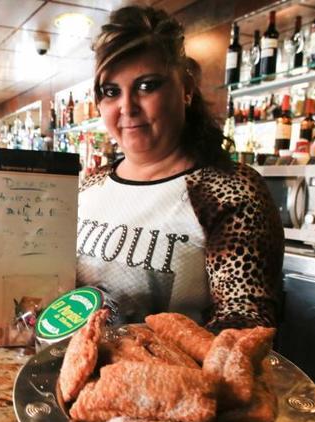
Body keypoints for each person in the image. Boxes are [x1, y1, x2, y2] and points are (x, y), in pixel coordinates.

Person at [76, 6, 283, 330]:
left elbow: (244, 332)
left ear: (186, 88)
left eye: (147, 86)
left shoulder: (230, 192)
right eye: (111, 92)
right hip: (69, 374)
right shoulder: (91, 185)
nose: (127, 107)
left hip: (176, 379)